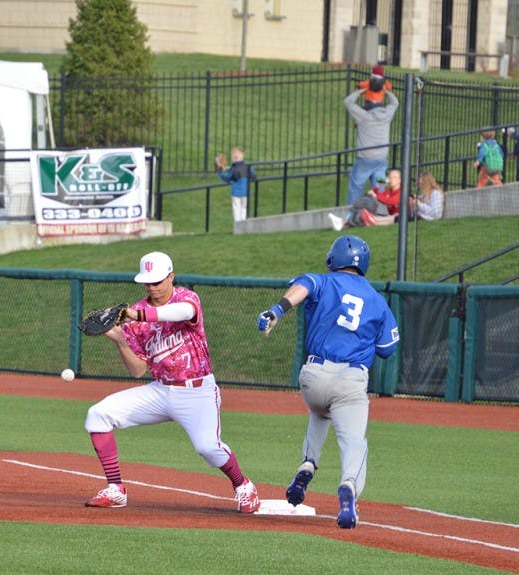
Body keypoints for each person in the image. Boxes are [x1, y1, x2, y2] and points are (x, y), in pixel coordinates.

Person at [83, 251, 260, 514]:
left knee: (208, 447)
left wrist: (135, 315)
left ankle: (243, 485)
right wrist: (120, 340)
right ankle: (116, 489)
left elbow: (181, 312)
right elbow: (138, 370)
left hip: (197, 390)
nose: (152, 287)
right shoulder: (135, 317)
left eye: (157, 281)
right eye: (147, 282)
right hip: (161, 390)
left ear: (171, 276)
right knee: (98, 415)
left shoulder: (186, 299)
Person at [256, 235, 399, 529]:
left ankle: (308, 462)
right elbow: (387, 350)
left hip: (314, 377)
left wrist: (277, 310)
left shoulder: (322, 280)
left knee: (321, 410)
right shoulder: (378, 301)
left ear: (334, 259)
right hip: (350, 379)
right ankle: (348, 487)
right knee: (354, 442)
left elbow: (302, 287)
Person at [344, 86, 400, 205]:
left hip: (364, 160)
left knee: (356, 187)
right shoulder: (387, 115)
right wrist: (386, 91)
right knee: (380, 186)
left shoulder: (363, 116)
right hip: (381, 160)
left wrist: (361, 90)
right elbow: (395, 102)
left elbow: (348, 101)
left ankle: (350, 214)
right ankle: (379, 211)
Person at [215, 146, 257, 222]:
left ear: (233, 158)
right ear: (242, 156)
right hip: (245, 193)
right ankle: (243, 225)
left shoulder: (233, 169)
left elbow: (227, 178)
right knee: (243, 209)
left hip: (235, 193)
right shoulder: (247, 167)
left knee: (236, 209)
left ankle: (238, 226)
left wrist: (220, 171)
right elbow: (253, 175)